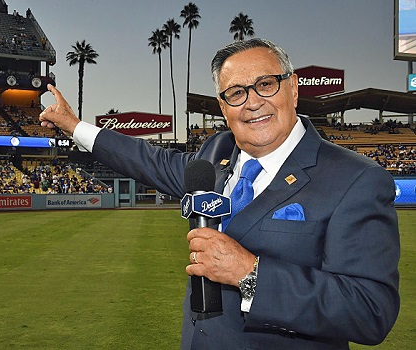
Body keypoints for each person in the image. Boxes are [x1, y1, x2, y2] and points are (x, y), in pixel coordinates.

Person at [39, 38, 400, 349]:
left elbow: (370, 310)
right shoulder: (215, 153)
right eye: (236, 93)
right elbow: (147, 159)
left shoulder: (357, 179)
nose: (253, 102)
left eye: (266, 84)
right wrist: (74, 126)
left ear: (293, 89)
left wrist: (251, 273)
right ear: (224, 107)